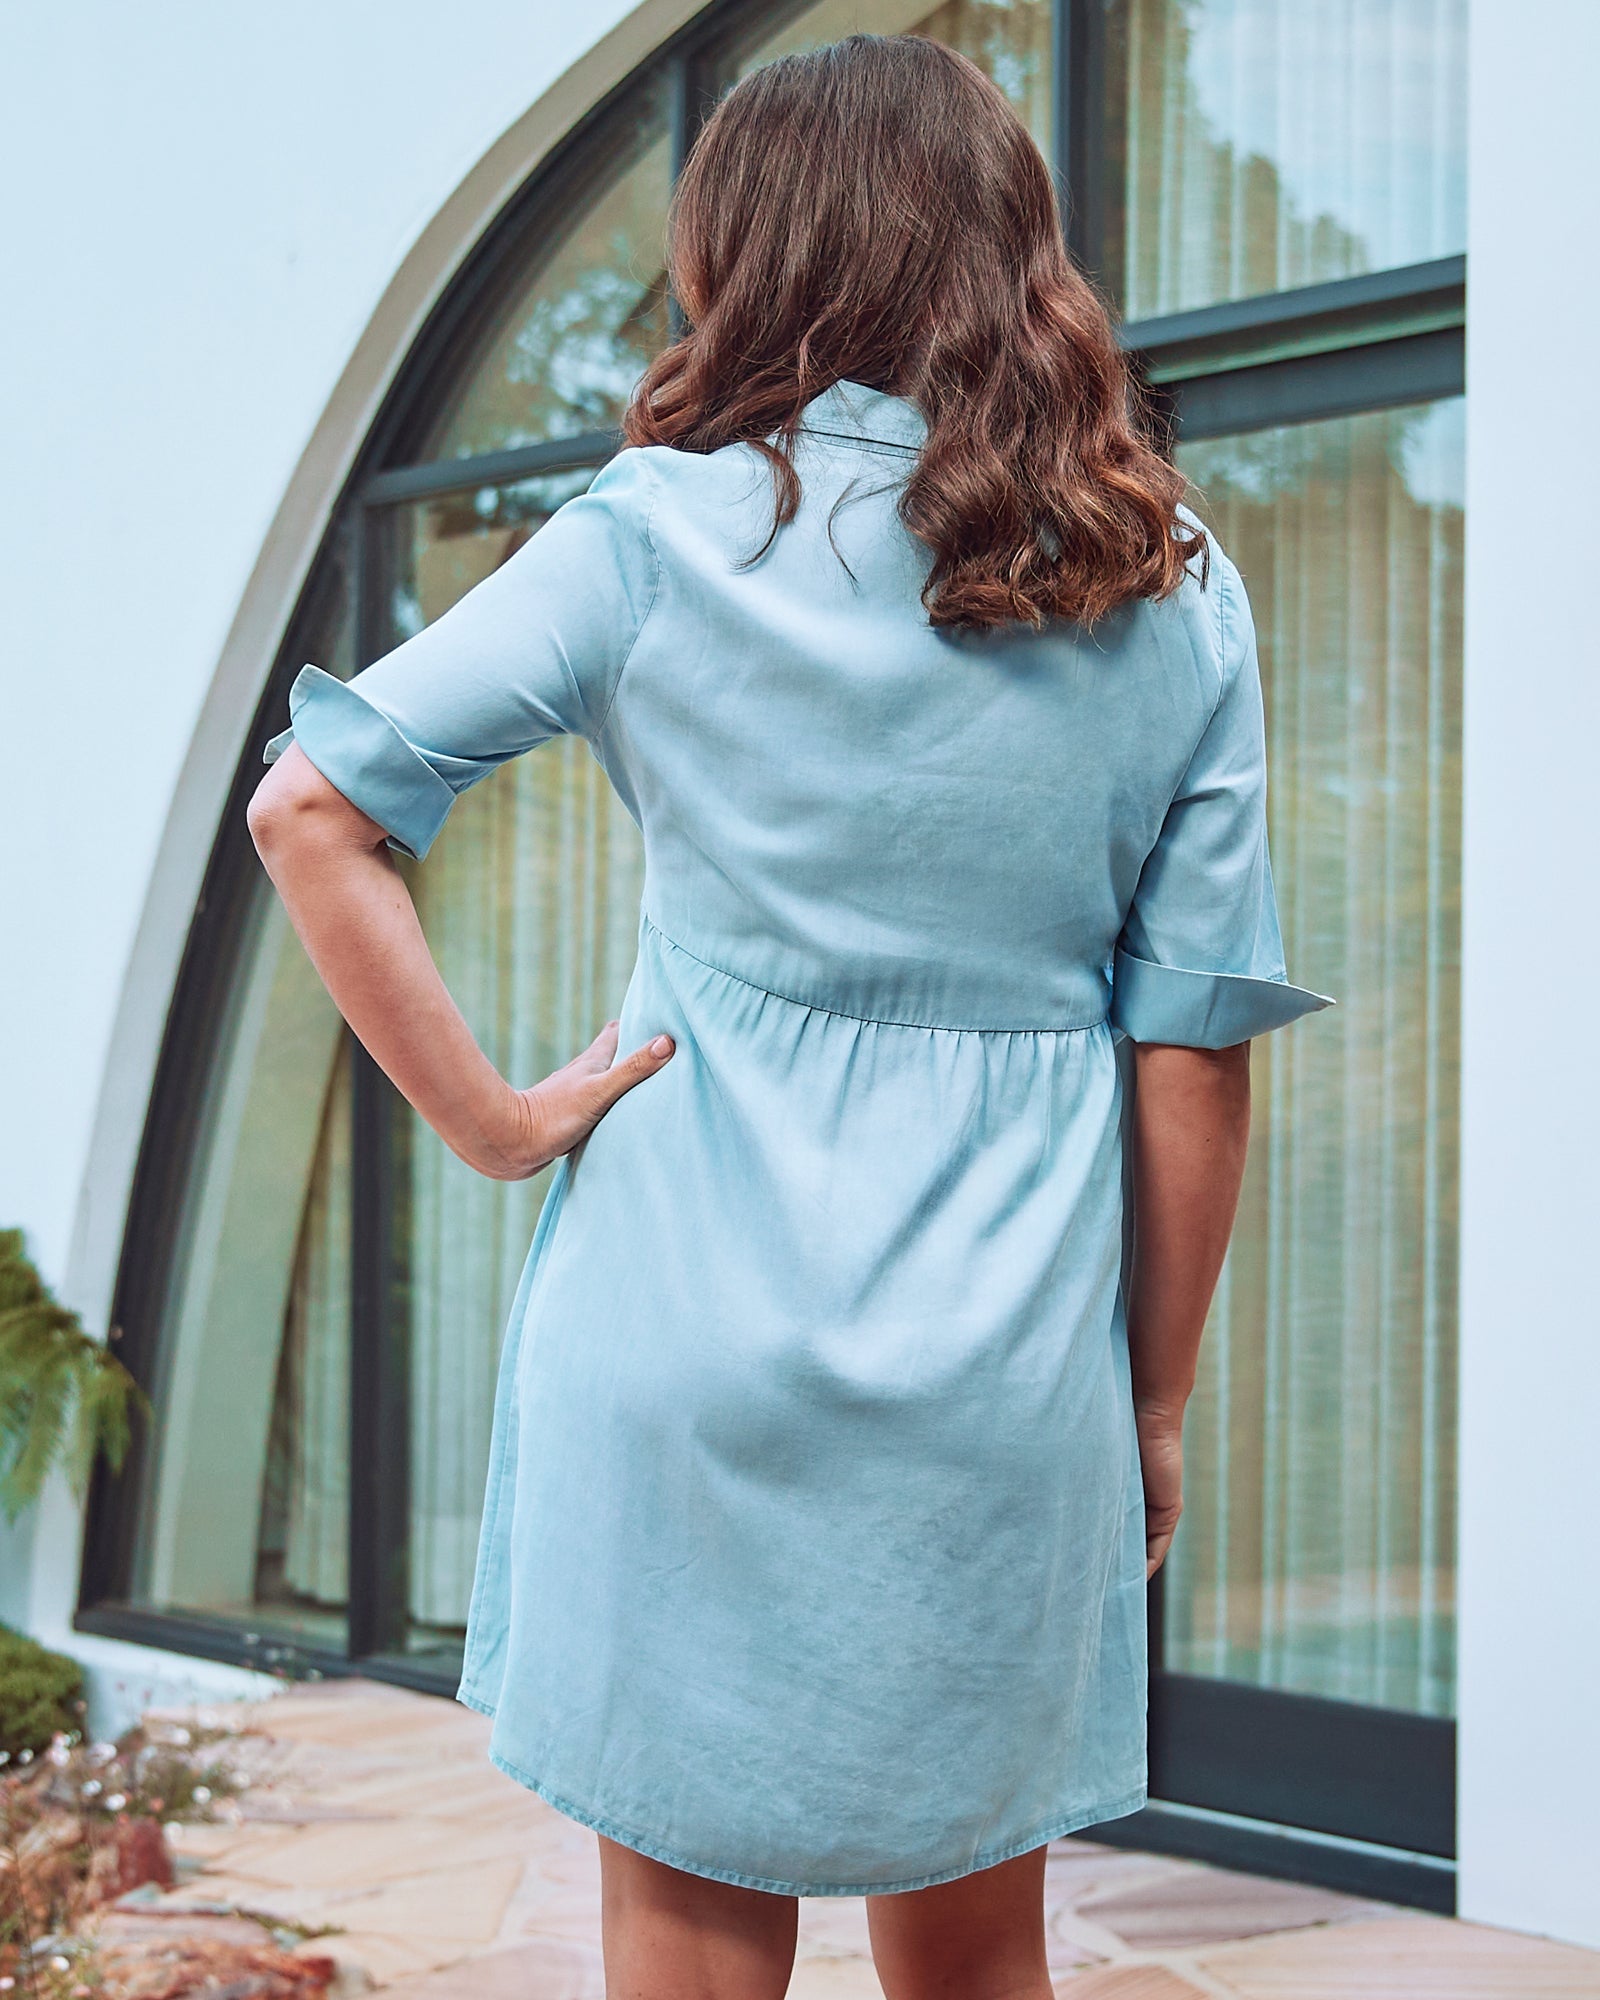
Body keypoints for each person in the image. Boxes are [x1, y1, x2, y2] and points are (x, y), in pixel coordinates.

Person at [248, 32, 1329, 2000]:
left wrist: (496, 1122)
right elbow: (1191, 1049)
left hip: (678, 1327)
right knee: (976, 1945)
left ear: (743, 251)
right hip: (1004, 1360)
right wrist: (1149, 1403)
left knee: (685, 1937)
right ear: (1012, 251)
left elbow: (309, 810)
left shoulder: (651, 538)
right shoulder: (1167, 584)